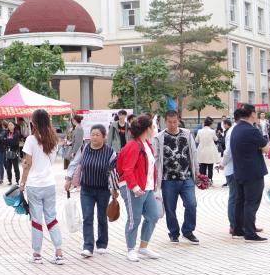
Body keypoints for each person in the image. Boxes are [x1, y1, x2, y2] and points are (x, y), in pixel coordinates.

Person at [19, 109, 64, 265]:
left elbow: (28, 164)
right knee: (51, 218)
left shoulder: (31, 140)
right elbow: (49, 161)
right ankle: (59, 252)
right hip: (49, 183)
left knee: (37, 220)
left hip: (34, 184)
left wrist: (22, 183)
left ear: (34, 122)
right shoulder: (54, 139)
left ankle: (37, 254)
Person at [64, 124, 116, 257]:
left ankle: (102, 244)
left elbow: (113, 171)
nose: (94, 137)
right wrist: (68, 178)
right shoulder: (84, 148)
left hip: (103, 190)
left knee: (102, 217)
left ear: (104, 137)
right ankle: (88, 246)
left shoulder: (110, 152)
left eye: (97, 135)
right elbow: (74, 163)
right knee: (87, 217)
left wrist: (114, 188)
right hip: (86, 189)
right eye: (92, 134)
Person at [116, 114, 161, 262]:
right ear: (147, 129)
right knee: (134, 219)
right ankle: (131, 249)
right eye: (152, 127)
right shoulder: (133, 145)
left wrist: (153, 185)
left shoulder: (147, 144)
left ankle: (143, 247)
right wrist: (134, 187)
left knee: (153, 215)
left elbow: (150, 167)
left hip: (146, 187)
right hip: (133, 188)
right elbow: (127, 169)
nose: (154, 129)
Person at [154, 111, 199, 245]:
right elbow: (156, 159)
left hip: (187, 177)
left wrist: (197, 172)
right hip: (168, 179)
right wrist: (155, 179)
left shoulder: (187, 134)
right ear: (165, 122)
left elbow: (194, 153)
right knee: (170, 208)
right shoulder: (159, 137)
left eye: (175, 122)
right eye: (169, 122)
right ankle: (173, 233)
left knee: (191, 204)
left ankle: (188, 231)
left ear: (178, 120)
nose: (172, 124)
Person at [229, 104, 269, 242]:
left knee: (240, 202)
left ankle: (238, 230)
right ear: (252, 114)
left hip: (239, 171)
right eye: (255, 113)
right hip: (253, 172)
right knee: (251, 203)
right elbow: (266, 148)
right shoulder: (252, 130)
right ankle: (250, 233)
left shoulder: (236, 128)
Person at [196, 118, 220, 184]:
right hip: (210, 150)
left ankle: (202, 180)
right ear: (210, 124)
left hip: (201, 150)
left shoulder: (199, 131)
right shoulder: (212, 131)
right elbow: (216, 139)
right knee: (210, 167)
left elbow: (196, 140)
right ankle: (210, 180)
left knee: (202, 166)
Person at [3, 121, 23, 186]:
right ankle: (9, 180)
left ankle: (17, 180)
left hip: (14, 152)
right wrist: (9, 140)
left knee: (16, 167)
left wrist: (7, 140)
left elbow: (15, 143)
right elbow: (4, 141)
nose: (10, 126)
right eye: (9, 125)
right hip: (7, 152)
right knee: (8, 168)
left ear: (14, 126)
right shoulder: (6, 133)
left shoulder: (17, 133)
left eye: (11, 125)